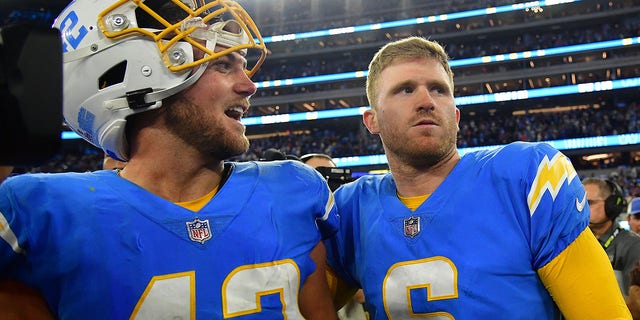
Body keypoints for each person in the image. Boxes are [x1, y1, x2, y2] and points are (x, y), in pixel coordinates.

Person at [0, 0, 339, 318]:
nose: (249, 86)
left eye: (244, 66)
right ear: (134, 72)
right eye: (223, 64)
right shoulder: (39, 212)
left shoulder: (293, 189)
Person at [324, 36, 631, 319]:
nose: (426, 100)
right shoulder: (351, 208)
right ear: (371, 120)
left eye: (439, 89)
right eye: (405, 89)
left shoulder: (525, 177)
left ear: (455, 116)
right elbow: (285, 303)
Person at [301, 153, 368, 320]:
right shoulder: (288, 233)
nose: (327, 184)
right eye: (318, 176)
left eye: (333, 176)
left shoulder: (359, 223)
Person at [583, 178, 640, 296]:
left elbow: (633, 303)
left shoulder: (632, 245)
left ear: (611, 205)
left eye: (588, 203)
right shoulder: (572, 243)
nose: (579, 208)